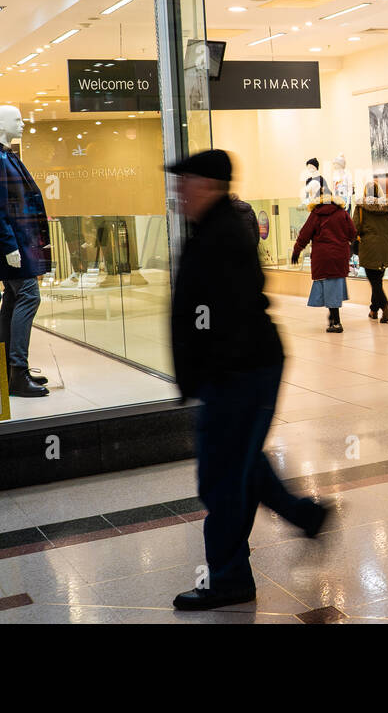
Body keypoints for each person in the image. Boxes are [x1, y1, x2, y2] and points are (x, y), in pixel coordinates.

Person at [167, 149, 328, 611]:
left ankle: (229, 579)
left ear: (209, 186)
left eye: (186, 182)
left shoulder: (222, 235)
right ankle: (306, 516)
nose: (179, 192)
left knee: (221, 480)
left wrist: (210, 370)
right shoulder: (212, 229)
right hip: (236, 373)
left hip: (241, 374)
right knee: (239, 464)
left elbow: (224, 315)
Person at [291, 179, 357, 332]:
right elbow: (352, 233)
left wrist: (297, 250)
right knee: (333, 288)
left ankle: (336, 323)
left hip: (323, 256)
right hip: (340, 255)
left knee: (330, 287)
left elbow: (304, 234)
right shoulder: (342, 213)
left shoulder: (316, 214)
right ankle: (333, 318)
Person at [354, 180, 388, 322]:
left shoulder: (360, 207)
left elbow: (355, 228)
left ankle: (385, 307)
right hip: (385, 247)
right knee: (378, 280)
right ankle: (373, 310)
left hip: (369, 247)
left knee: (375, 282)